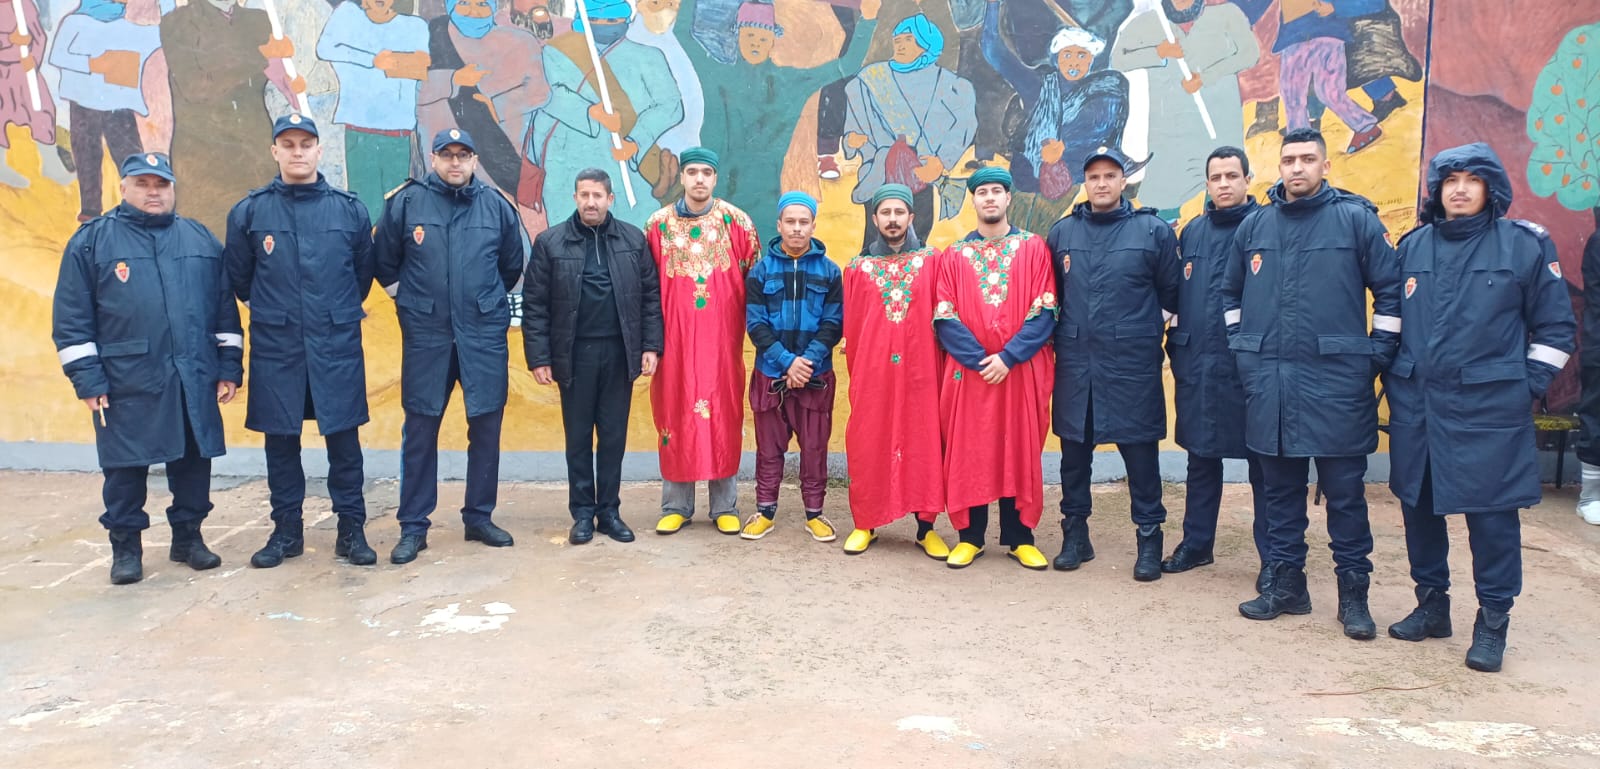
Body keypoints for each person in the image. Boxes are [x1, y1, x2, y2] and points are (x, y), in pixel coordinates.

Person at [1383, 143, 1575, 673]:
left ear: (1491, 188)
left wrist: (1526, 385)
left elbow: (1557, 328)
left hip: (1489, 409)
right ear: (1437, 191)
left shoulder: (1524, 245)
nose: (1460, 189)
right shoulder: (1414, 246)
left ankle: (1492, 621)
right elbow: (1393, 321)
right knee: (1419, 507)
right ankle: (1431, 606)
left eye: (1472, 179)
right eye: (1450, 181)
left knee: (1492, 519)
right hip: (1419, 406)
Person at [1222, 127, 1401, 640]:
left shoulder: (1356, 221)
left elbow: (1390, 292)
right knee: (1280, 494)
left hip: (1337, 385)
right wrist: (1243, 349)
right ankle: (1287, 587)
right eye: (1288, 160)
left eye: (1306, 159)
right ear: (1278, 167)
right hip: (1271, 386)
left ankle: (1354, 597)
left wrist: (1375, 355)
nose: (1296, 168)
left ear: (1325, 165)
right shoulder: (1255, 226)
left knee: (1345, 497)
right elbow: (1229, 293)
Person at [51, 152, 243, 584]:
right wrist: (88, 380)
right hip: (125, 380)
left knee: (193, 462)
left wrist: (229, 366)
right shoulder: (91, 242)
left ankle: (188, 539)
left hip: (192, 373)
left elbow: (223, 311)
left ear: (173, 188)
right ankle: (126, 549)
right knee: (125, 467)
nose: (153, 192)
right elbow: (72, 319)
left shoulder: (199, 239)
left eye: (161, 184)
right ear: (124, 187)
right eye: (143, 184)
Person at [224, 114, 378, 569]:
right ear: (274, 151)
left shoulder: (349, 210)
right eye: (288, 144)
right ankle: (286, 531)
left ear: (319, 150)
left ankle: (351, 530)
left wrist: (329, 312)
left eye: (305, 144)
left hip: (335, 344)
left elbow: (361, 277)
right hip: (279, 346)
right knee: (281, 444)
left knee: (344, 443)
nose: (297, 152)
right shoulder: (250, 212)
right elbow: (241, 280)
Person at [374, 128, 526, 565]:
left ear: (474, 160)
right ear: (434, 158)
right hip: (428, 337)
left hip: (481, 336)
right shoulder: (406, 203)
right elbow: (383, 263)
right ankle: (413, 526)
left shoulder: (496, 206)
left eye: (463, 154)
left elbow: (511, 266)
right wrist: (412, 302)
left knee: (486, 428)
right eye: (447, 155)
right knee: (420, 431)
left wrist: (481, 304)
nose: (455, 162)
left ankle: (479, 517)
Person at [1045, 146, 1180, 580]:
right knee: (1073, 456)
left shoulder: (1152, 231)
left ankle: (1149, 539)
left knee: (1140, 458)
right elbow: (1052, 295)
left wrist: (1143, 328)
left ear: (1124, 181)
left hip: (1131, 367)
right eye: (1094, 176)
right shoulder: (1063, 233)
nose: (1101, 183)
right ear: (1085, 182)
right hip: (1077, 365)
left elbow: (1172, 293)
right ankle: (1075, 536)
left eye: (1110, 176)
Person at [525, 168, 664, 545]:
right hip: (573, 356)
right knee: (579, 438)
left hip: (619, 354)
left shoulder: (632, 240)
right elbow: (535, 304)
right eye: (584, 195)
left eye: (597, 196)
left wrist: (650, 346)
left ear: (610, 199)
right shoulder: (551, 243)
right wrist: (539, 357)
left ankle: (610, 512)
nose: (591, 202)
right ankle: (583, 513)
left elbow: (650, 297)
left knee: (614, 437)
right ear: (575, 198)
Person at [933, 166, 1056, 570]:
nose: (989, 197)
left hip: (1019, 371)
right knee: (972, 449)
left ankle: (1020, 538)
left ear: (1008, 198)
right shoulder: (953, 256)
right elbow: (944, 315)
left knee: (1017, 446)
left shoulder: (1033, 247)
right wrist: (980, 360)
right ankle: (971, 538)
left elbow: (1045, 309)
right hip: (971, 375)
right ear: (973, 200)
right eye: (982, 191)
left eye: (996, 191)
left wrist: (1008, 357)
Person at [1162, 146, 1268, 584]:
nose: (1223, 184)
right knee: (1201, 459)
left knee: (1265, 467)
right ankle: (1196, 543)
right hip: (1199, 364)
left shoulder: (1266, 227)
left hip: (1250, 369)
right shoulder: (1193, 232)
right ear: (1207, 184)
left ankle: (1274, 559)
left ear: (1247, 180)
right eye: (1216, 177)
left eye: (1231, 176)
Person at [644, 147, 761, 536]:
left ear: (715, 178)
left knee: (722, 414)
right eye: (691, 171)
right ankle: (676, 506)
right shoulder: (657, 226)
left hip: (721, 344)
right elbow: (646, 287)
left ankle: (724, 505)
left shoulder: (737, 223)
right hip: (673, 343)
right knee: (674, 415)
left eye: (706, 172)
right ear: (681, 177)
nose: (698, 179)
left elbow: (756, 283)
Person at [840, 183, 950, 559]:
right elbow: (853, 327)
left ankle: (926, 528)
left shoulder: (933, 261)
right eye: (885, 213)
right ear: (875, 219)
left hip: (922, 372)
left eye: (899, 212)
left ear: (911, 217)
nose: (892, 220)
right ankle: (865, 523)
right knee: (868, 439)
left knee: (923, 442)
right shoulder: (857, 269)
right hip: (873, 375)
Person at [741, 191, 844, 542]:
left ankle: (814, 513)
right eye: (790, 222)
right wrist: (787, 362)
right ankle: (765, 511)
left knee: (814, 448)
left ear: (813, 225)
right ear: (779, 225)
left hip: (816, 376)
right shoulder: (761, 271)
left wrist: (806, 362)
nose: (797, 228)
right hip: (771, 375)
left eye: (804, 222)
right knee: (769, 449)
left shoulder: (829, 271)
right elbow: (756, 324)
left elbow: (833, 323)